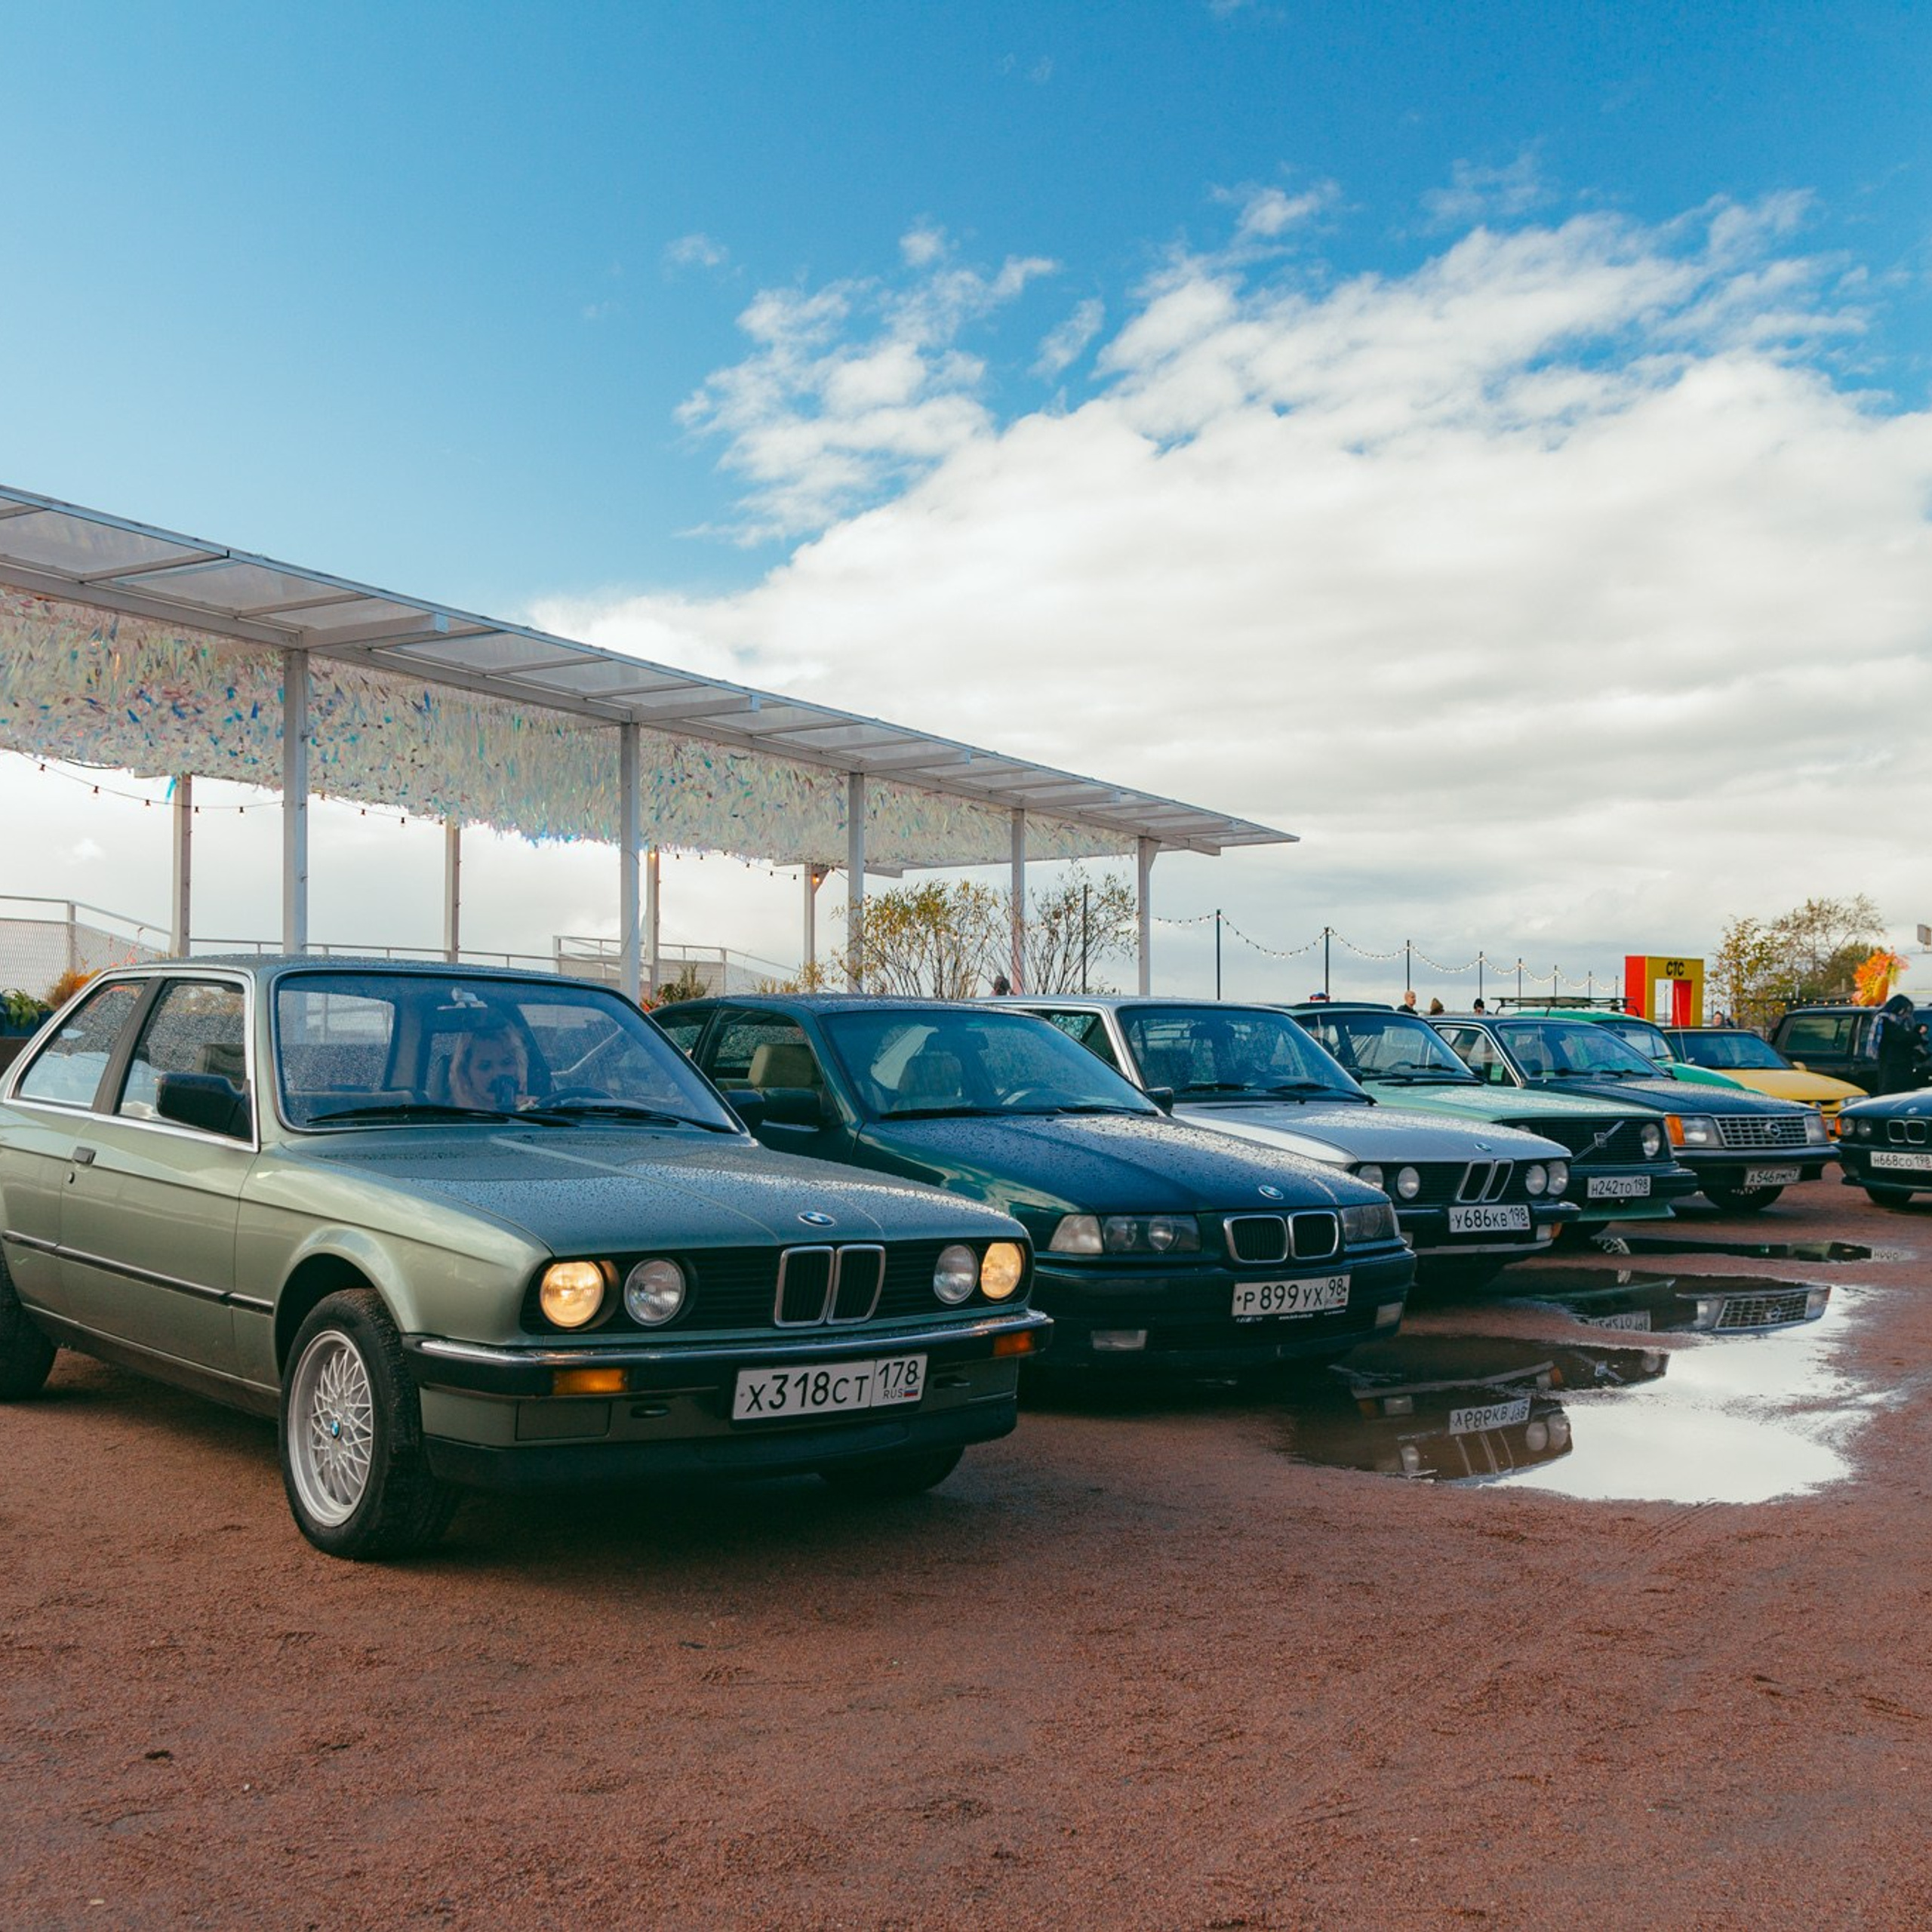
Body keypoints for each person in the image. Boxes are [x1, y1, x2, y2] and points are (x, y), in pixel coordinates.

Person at [447, 1019, 530, 1112]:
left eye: (506, 1063)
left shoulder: (536, 1114)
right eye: (485, 1066)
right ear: (466, 1072)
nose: (497, 1074)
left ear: (520, 1065)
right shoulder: (448, 1119)